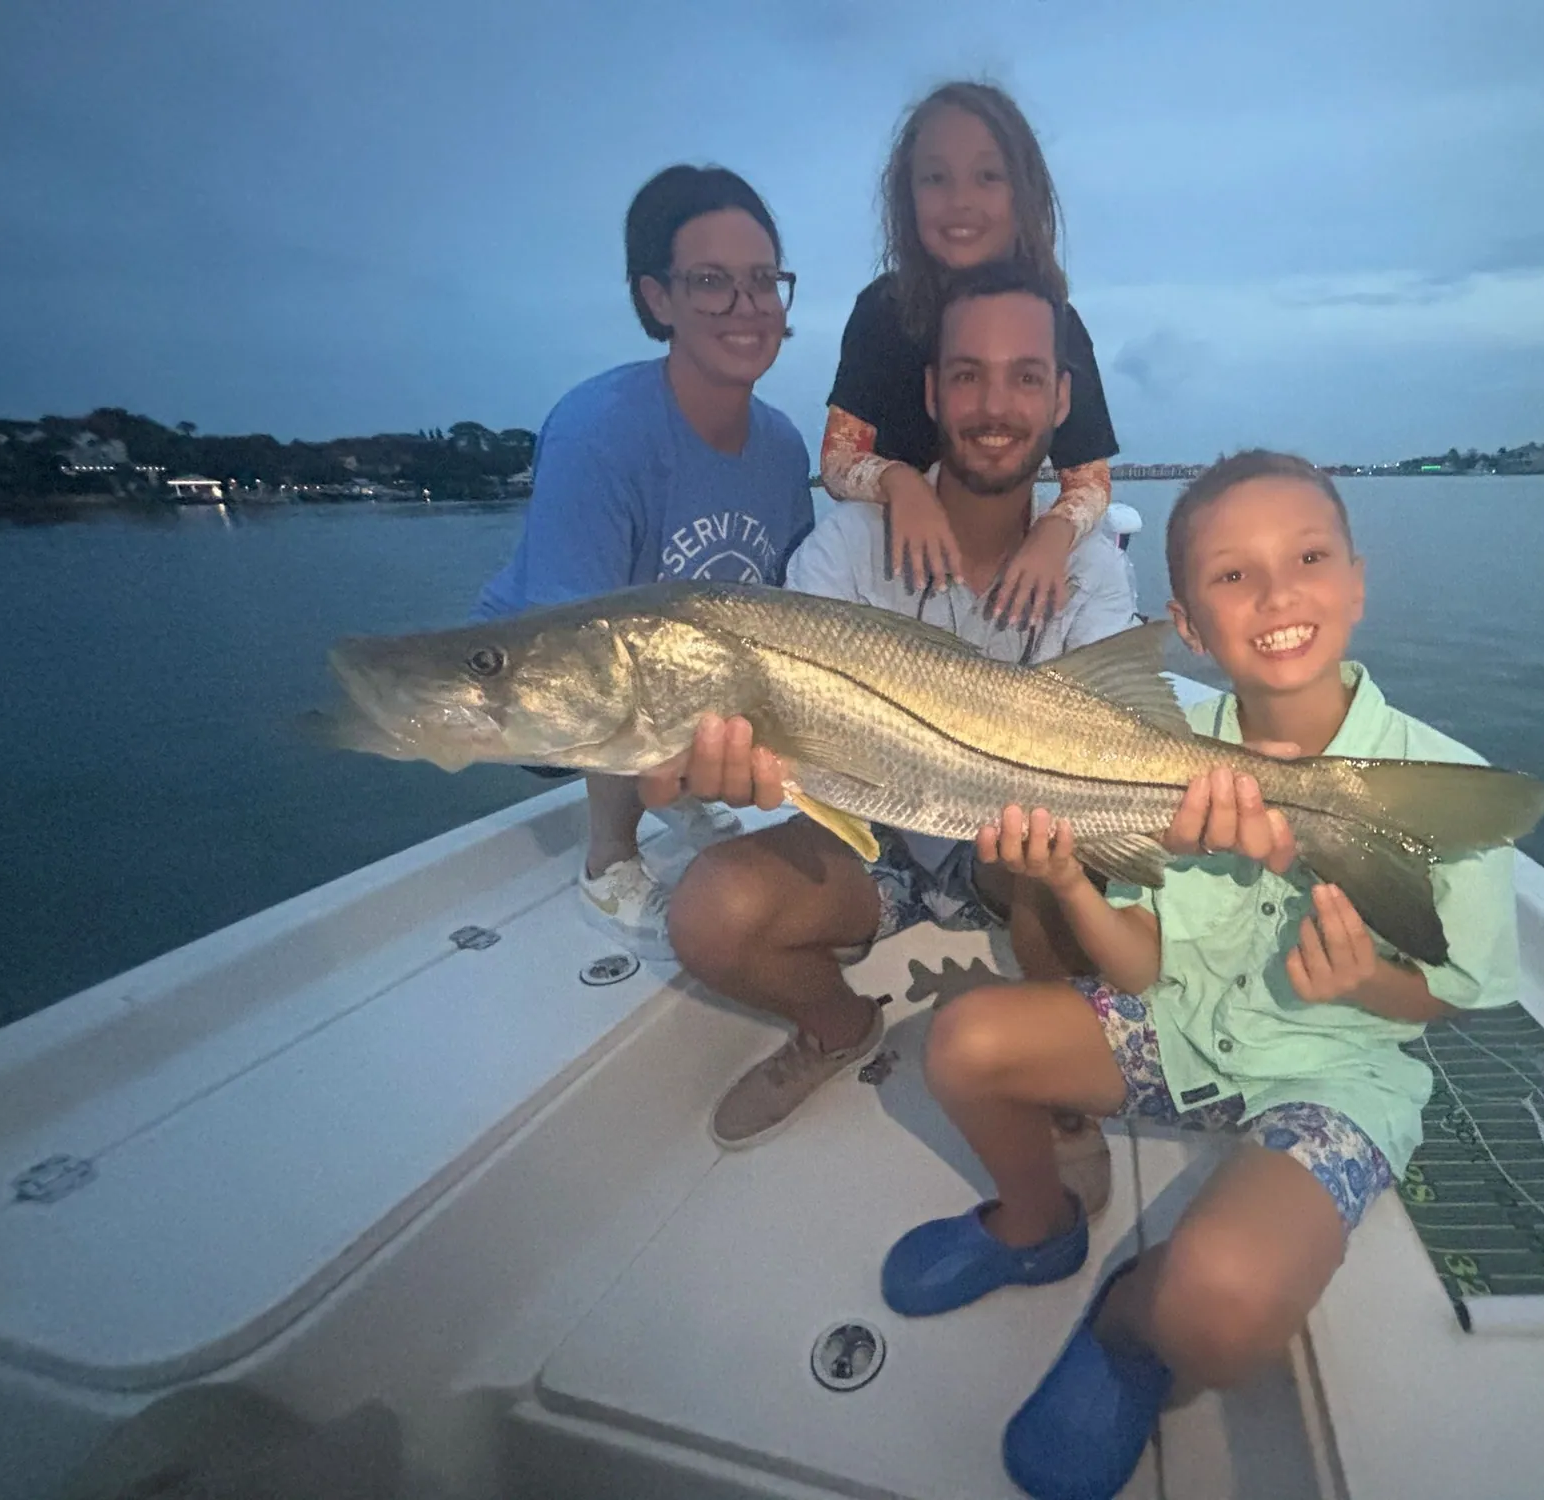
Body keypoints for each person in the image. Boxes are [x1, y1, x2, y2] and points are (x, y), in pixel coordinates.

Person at [874, 451, 1524, 1500]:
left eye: (1307, 558)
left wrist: (1363, 982)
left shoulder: (1441, 782)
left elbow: (1452, 993)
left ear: (1357, 581)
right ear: (1185, 623)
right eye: (1232, 574)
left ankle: (1129, 1327)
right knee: (961, 1042)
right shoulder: (1154, 747)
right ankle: (1036, 1228)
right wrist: (1069, 882)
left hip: (1334, 1074)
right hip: (1172, 1027)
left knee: (1215, 1311)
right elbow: (1140, 962)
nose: (1276, 593)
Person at [644, 264, 1137, 1215]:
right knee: (709, 911)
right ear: (931, 393)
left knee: (1060, 855)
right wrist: (726, 770)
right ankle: (838, 1028)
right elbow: (770, 741)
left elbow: (1113, 746)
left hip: (1013, 853)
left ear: (1061, 400)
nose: (994, 406)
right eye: (968, 375)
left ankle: (1058, 1084)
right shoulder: (844, 549)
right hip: (872, 838)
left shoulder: (1090, 568)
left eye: (1026, 377)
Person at [473, 165, 814, 959]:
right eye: (711, 282)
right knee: (624, 656)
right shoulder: (599, 431)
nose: (746, 305)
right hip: (539, 679)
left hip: (684, 665)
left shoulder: (782, 445)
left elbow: (781, 611)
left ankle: (678, 791)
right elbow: (580, 640)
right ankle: (608, 863)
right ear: (657, 298)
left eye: (763, 280)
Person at [819, 80, 1119, 635]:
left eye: (987, 176)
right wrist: (901, 485)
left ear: (1024, 192)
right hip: (894, 573)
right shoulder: (883, 312)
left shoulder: (1057, 323)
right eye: (936, 178)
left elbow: (1090, 479)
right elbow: (837, 461)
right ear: (907, 195)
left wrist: (1053, 534)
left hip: (1004, 555)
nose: (961, 200)